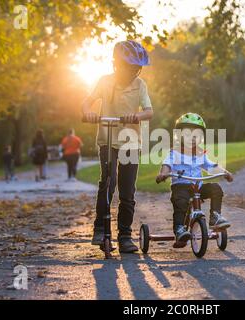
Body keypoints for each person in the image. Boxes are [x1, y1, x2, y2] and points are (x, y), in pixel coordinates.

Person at [82, 40, 153, 253]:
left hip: (131, 141)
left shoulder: (140, 85)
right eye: (128, 66)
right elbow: (87, 101)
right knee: (108, 182)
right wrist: (89, 112)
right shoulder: (105, 81)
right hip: (108, 139)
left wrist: (136, 115)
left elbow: (149, 111)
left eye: (135, 68)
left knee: (127, 190)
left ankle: (124, 236)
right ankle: (100, 229)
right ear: (116, 64)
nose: (132, 71)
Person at [156, 113, 234, 244]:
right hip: (181, 186)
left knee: (215, 189)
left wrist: (225, 173)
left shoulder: (200, 154)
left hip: (198, 187)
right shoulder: (174, 152)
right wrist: (163, 174)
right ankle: (180, 228)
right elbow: (167, 165)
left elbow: (211, 166)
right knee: (181, 202)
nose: (191, 138)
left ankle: (215, 216)